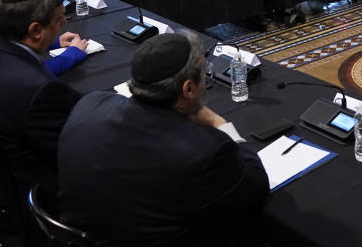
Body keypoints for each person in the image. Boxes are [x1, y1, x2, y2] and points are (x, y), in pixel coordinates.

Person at [58, 33, 269, 246]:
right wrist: (218, 123)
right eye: (203, 77)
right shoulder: (204, 152)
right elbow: (256, 185)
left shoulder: (90, 103)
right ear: (188, 89)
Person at [0, 0, 81, 246]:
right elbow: (72, 159)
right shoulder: (39, 90)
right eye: (58, 18)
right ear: (34, 30)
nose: (64, 23)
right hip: (40, 209)